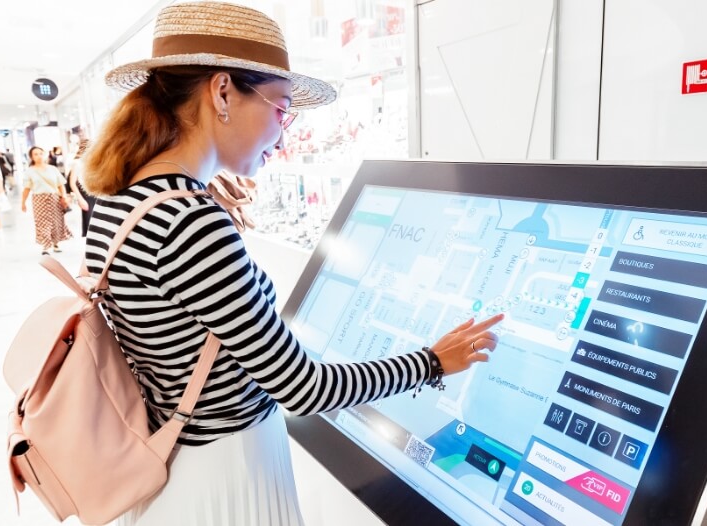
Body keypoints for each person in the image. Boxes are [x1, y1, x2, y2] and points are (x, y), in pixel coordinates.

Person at [82, 3, 502, 524]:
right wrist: (435, 361)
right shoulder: (190, 221)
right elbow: (304, 389)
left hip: (166, 465)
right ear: (221, 93)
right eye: (281, 108)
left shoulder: (125, 198)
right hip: (225, 476)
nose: (284, 135)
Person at [20, 146, 72, 254]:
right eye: (35, 154)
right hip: (39, 200)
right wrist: (23, 202)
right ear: (31, 157)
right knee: (42, 223)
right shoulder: (30, 171)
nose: (39, 156)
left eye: (40, 153)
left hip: (54, 198)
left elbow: (60, 185)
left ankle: (56, 243)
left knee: (56, 222)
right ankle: (45, 246)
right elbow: (26, 189)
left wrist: (64, 197)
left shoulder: (52, 169)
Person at [66, 139, 98, 236]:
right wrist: (80, 199)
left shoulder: (94, 161)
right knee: (90, 225)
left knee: (97, 223)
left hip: (97, 194)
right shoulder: (77, 163)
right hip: (86, 195)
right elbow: (72, 183)